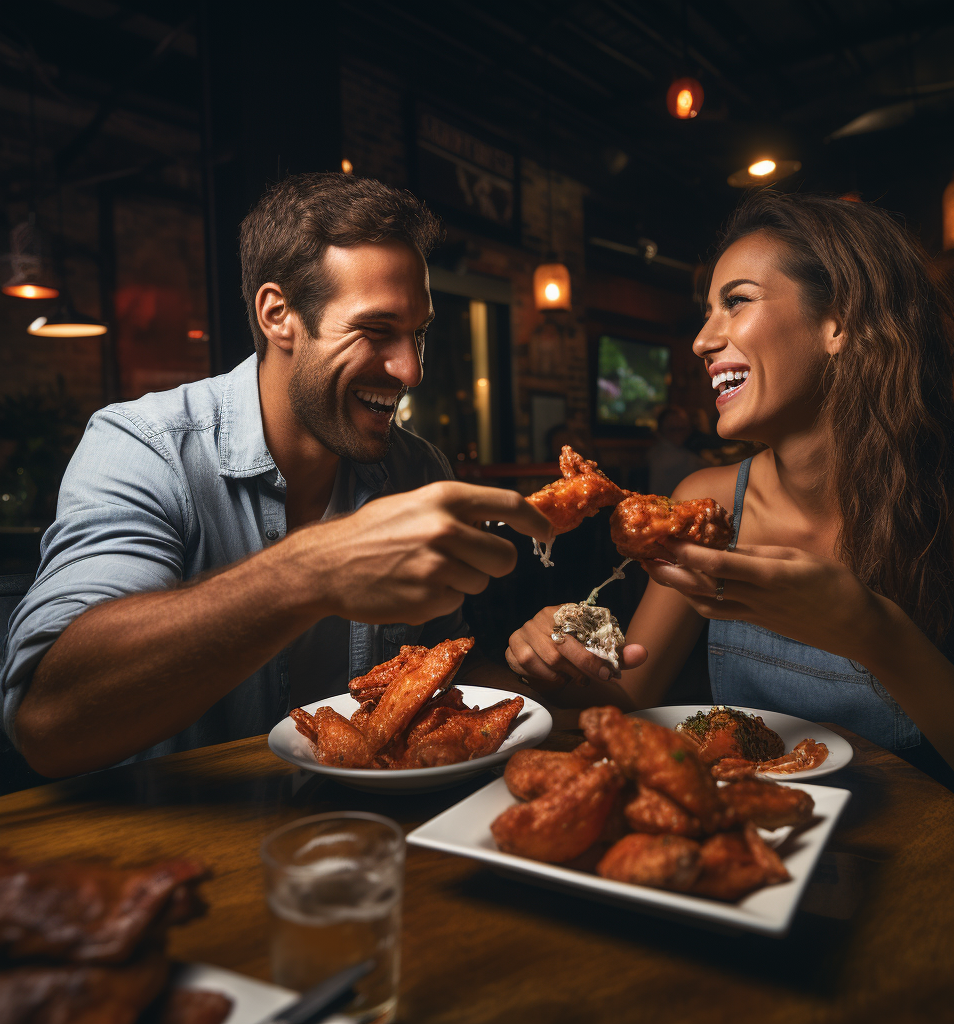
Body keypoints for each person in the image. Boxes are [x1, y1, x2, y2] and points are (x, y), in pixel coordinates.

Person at [507, 190, 954, 838]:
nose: (701, 340)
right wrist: (567, 671)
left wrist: (872, 633)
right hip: (751, 855)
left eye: (737, 301)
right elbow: (627, 707)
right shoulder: (708, 500)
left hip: (930, 872)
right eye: (705, 313)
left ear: (838, 321)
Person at [2, 173, 551, 779]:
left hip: (378, 844)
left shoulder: (418, 469)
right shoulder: (146, 447)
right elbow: (47, 725)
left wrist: (540, 674)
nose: (410, 370)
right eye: (376, 331)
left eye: (417, 333)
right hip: (180, 853)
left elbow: (441, 680)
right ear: (278, 314)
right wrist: (311, 571)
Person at [646, 405, 706, 496]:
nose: (678, 434)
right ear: (661, 430)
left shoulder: (685, 452)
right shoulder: (661, 457)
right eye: (672, 429)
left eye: (682, 428)